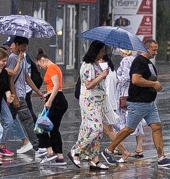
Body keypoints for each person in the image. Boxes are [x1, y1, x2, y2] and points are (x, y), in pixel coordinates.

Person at [108, 38, 170, 167]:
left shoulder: (149, 63)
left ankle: (161, 158)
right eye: (153, 50)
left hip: (149, 103)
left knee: (157, 127)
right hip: (138, 102)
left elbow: (150, 78)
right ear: (146, 49)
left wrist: (155, 85)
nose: (156, 52)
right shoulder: (139, 61)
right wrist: (153, 84)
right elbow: (135, 80)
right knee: (129, 129)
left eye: (156, 50)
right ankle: (108, 150)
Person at [72, 41, 112, 170]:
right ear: (95, 51)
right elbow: (89, 84)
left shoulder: (96, 64)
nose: (103, 53)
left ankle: (94, 159)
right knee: (96, 129)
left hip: (98, 101)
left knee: (94, 132)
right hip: (89, 101)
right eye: (101, 51)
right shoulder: (87, 65)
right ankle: (76, 150)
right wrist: (102, 75)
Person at [5, 36, 41, 155]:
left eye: (26, 46)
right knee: (28, 120)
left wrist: (38, 92)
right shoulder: (12, 58)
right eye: (23, 46)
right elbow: (10, 79)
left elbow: (26, 77)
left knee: (6, 121)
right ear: (17, 45)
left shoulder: (23, 57)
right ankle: (37, 146)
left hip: (21, 95)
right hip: (17, 96)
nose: (25, 48)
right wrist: (15, 97)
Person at [34, 48, 67, 165]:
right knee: (53, 129)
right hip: (58, 98)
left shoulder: (52, 68)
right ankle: (59, 156)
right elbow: (56, 87)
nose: (40, 68)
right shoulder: (55, 67)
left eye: (39, 65)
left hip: (56, 100)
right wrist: (46, 95)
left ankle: (50, 151)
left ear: (42, 60)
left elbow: (57, 85)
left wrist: (49, 101)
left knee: (41, 126)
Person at [113, 48, 145, 158]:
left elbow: (126, 76)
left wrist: (118, 79)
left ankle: (118, 147)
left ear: (123, 51)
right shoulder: (135, 60)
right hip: (135, 93)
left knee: (120, 119)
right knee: (136, 120)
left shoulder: (125, 60)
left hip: (125, 93)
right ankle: (139, 148)